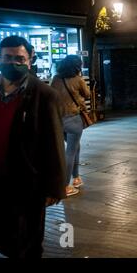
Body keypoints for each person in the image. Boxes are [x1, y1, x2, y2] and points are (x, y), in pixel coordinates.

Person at [0, 36, 66, 258]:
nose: (13, 63)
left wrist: (55, 187)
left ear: (30, 60)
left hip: (28, 183)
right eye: (7, 57)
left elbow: (54, 143)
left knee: (28, 242)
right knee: (1, 234)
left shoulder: (45, 95)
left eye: (19, 58)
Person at [50, 55, 90, 197]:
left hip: (57, 119)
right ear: (77, 66)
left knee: (75, 147)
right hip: (73, 119)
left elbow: (51, 95)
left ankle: (77, 178)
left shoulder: (56, 78)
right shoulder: (78, 79)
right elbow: (87, 94)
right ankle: (65, 186)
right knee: (70, 151)